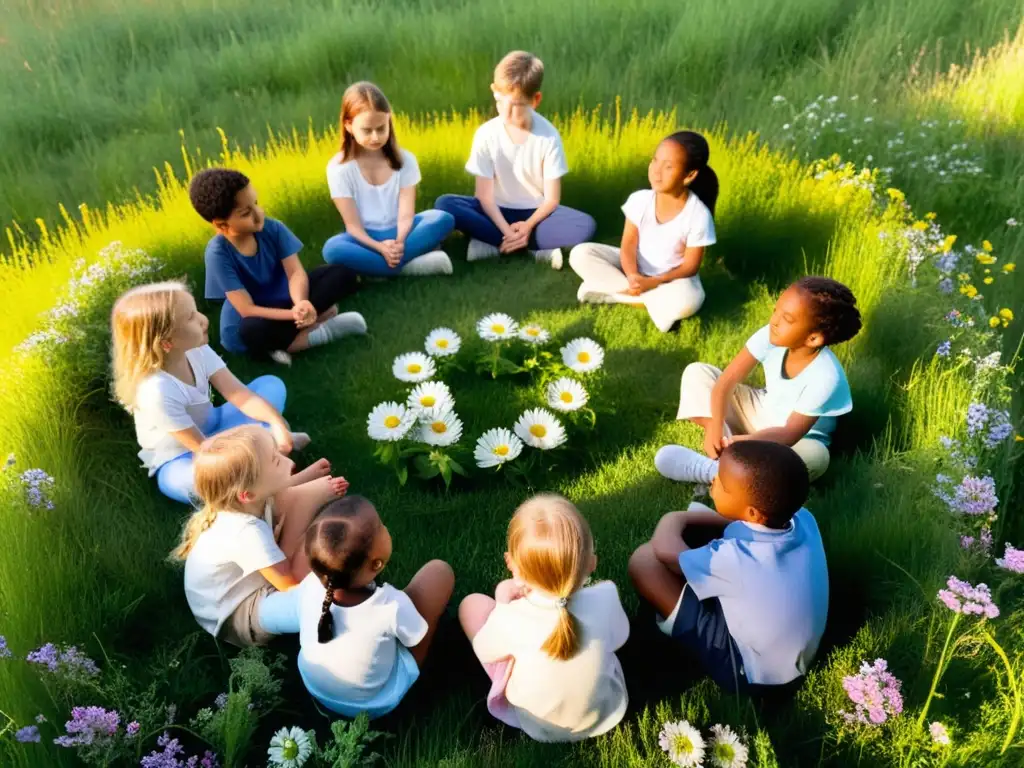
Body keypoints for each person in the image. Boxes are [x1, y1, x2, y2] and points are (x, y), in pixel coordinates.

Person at [628, 440, 828, 693]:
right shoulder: (804, 519)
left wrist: (675, 517)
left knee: (645, 560)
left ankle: (668, 630)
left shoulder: (734, 557)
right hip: (789, 658)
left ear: (754, 513)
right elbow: (732, 523)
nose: (713, 482)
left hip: (751, 675)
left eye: (722, 483)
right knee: (705, 535)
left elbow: (666, 553)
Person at [111, 281, 310, 504]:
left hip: (214, 424)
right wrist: (255, 442)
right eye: (190, 318)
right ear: (167, 343)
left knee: (270, 385)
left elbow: (240, 395)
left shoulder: (197, 350)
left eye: (196, 311)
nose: (203, 319)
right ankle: (261, 459)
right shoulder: (156, 390)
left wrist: (276, 422)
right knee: (188, 484)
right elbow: (202, 448)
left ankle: (263, 451)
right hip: (183, 455)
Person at [258, 495, 455, 718]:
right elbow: (414, 638)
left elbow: (282, 613)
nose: (385, 526)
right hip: (374, 703)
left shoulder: (310, 587)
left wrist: (256, 615)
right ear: (376, 563)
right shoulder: (391, 605)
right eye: (381, 526)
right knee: (438, 573)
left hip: (318, 691)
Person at [656, 276, 862, 482]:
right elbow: (727, 380)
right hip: (758, 412)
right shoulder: (771, 335)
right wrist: (714, 426)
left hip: (795, 441)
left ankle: (715, 470)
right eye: (776, 311)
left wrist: (743, 442)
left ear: (813, 338)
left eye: (787, 319)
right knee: (698, 373)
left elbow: (790, 433)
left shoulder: (826, 377)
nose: (774, 321)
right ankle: (728, 461)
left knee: (816, 458)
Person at [458, 494, 629, 742]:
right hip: (604, 712)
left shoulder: (511, 618)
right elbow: (619, 637)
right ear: (592, 563)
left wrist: (502, 602)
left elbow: (485, 650)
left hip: (539, 725)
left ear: (511, 565)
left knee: (471, 605)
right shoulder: (607, 594)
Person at [170, 425, 349, 647]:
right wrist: (304, 516)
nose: (286, 460)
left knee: (293, 508)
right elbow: (290, 584)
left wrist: (306, 477)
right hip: (239, 615)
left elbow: (277, 494)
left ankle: (307, 512)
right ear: (247, 494)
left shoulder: (241, 503)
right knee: (313, 543)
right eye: (275, 460)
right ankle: (343, 614)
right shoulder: (245, 532)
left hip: (242, 588)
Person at [434, 50, 596, 270]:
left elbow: (551, 200)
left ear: (535, 100)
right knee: (445, 204)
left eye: (517, 105)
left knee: (584, 224)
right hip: (494, 211)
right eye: (502, 102)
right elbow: (484, 196)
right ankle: (530, 247)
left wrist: (527, 226)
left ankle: (492, 244)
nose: (507, 113)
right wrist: (508, 231)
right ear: (494, 92)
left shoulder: (548, 136)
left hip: (536, 215)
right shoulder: (486, 134)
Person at [192, 167, 365, 365]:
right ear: (222, 225)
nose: (259, 214)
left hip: (288, 299)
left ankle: (298, 331)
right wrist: (293, 314)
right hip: (256, 318)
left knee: (342, 273)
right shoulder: (218, 253)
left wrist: (301, 302)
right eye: (246, 213)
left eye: (256, 204)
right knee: (251, 331)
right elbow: (247, 309)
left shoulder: (272, 227)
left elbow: (295, 273)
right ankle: (319, 331)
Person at [569, 131, 718, 332]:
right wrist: (632, 274)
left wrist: (654, 281)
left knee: (689, 301)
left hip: (671, 280)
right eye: (655, 161)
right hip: (634, 269)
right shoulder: (640, 200)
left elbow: (690, 267)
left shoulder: (697, 214)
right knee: (581, 254)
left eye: (668, 167)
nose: (657, 171)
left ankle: (614, 294)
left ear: (689, 175)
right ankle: (644, 299)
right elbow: (628, 244)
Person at [321, 82, 455, 277]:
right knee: (332, 248)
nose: (375, 137)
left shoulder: (406, 160)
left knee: (442, 218)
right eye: (367, 130)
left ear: (389, 121)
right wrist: (380, 247)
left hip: (404, 231)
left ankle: (380, 270)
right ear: (349, 125)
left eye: (381, 128)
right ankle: (408, 265)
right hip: (366, 239)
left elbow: (406, 215)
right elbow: (353, 226)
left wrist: (399, 242)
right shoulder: (338, 168)